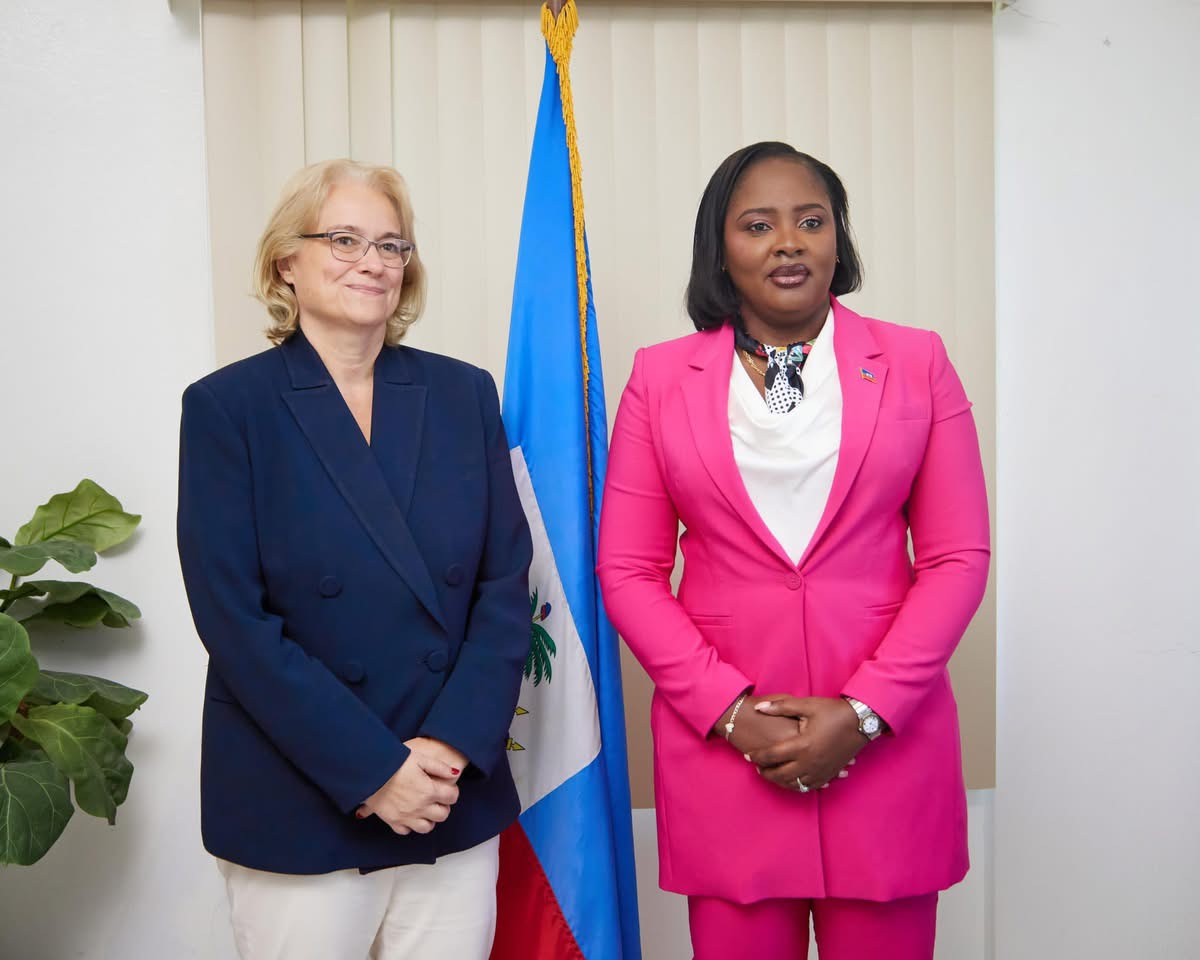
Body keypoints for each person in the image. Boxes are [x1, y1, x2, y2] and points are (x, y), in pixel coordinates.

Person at [596, 141, 990, 959]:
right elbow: (628, 570)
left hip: (886, 749)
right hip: (732, 755)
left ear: (837, 241)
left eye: (811, 221)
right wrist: (730, 712)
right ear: (721, 248)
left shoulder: (918, 363)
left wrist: (867, 710)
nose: (789, 242)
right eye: (758, 224)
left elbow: (957, 557)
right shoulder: (659, 379)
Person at [177, 158, 533, 959]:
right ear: (286, 261)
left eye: (391, 244)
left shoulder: (462, 393)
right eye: (343, 239)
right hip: (299, 793)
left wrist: (441, 753)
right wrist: (375, 771)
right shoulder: (226, 408)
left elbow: (504, 587)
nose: (371, 261)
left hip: (446, 794)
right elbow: (234, 621)